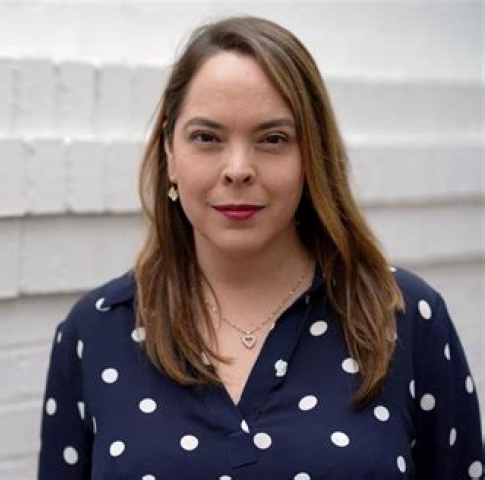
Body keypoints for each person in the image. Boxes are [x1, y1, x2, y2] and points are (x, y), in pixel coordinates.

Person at [37, 16, 483, 479]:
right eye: (207, 138)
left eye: (273, 139)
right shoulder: (95, 332)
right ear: (170, 152)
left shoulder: (405, 318)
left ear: (311, 156)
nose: (238, 169)